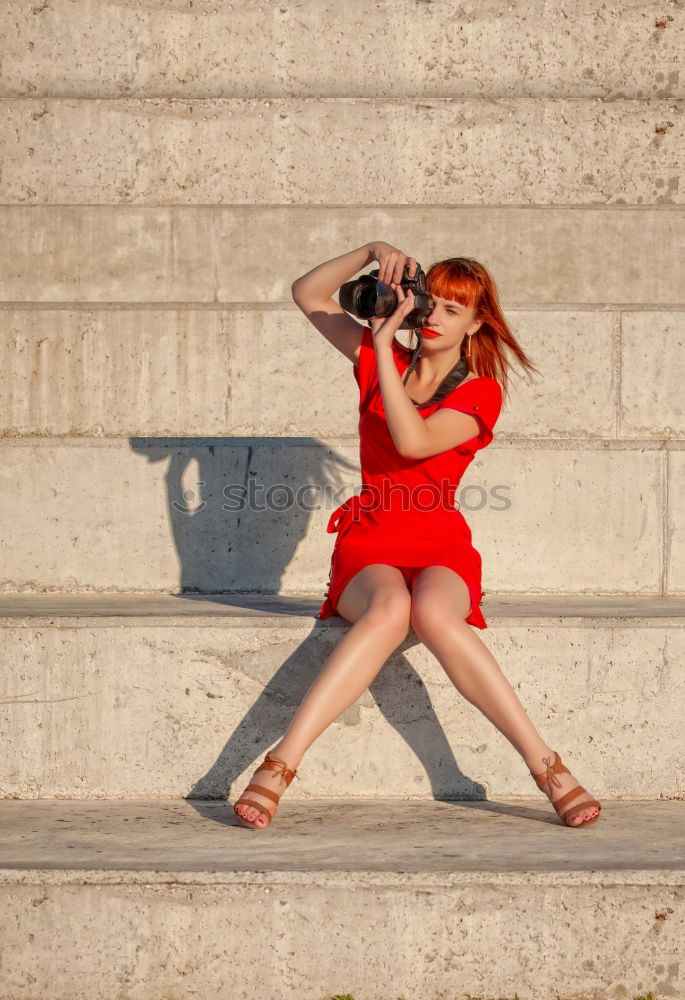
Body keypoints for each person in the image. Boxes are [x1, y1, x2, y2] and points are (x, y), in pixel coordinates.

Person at [233, 241, 601, 831]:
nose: (434, 318)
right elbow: (308, 294)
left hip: (440, 543)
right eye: (432, 303)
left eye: (454, 311)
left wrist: (380, 348)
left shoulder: (479, 391)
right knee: (388, 611)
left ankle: (546, 765)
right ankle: (281, 764)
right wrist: (372, 251)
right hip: (372, 538)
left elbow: (412, 441)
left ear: (478, 323)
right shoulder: (383, 356)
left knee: (432, 612)